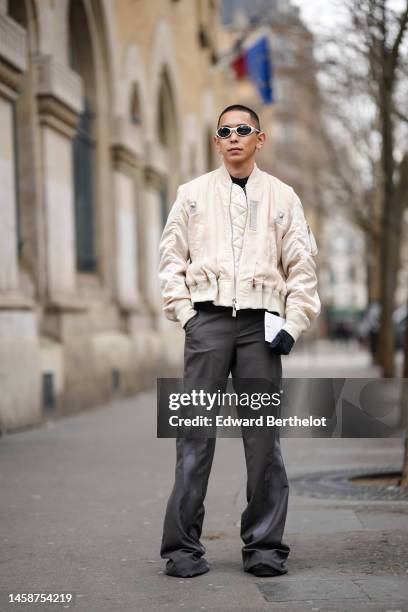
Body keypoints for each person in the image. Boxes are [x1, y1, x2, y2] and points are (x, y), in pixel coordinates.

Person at [158, 104, 321, 578]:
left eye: (242, 130)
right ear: (217, 141)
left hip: (260, 328)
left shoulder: (283, 197)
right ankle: (182, 549)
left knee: (263, 441)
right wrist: (187, 315)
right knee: (194, 436)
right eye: (224, 131)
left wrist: (293, 323)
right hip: (206, 324)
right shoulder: (191, 194)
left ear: (259, 139)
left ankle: (266, 547)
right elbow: (171, 258)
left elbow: (302, 264)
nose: (233, 137)